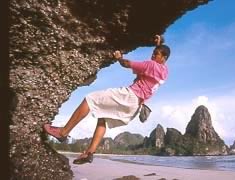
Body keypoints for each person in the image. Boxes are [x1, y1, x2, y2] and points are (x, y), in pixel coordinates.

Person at [43, 35, 171, 164]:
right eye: (153, 53)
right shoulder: (164, 71)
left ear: (163, 58)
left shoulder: (152, 65)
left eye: (156, 54)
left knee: (89, 99)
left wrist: (119, 58)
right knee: (103, 118)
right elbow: (160, 56)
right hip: (136, 106)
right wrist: (158, 46)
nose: (152, 56)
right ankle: (89, 153)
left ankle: (63, 132)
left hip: (129, 96)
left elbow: (127, 64)